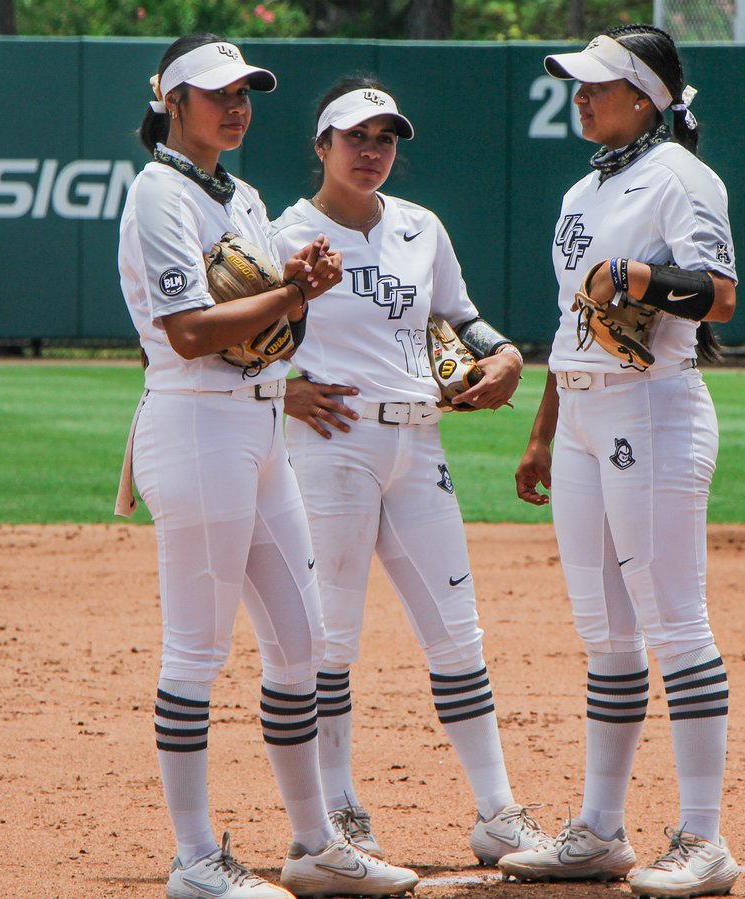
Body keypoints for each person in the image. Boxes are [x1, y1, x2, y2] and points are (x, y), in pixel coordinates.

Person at [116, 34, 419, 899]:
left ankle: (315, 843)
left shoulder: (241, 193)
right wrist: (292, 294)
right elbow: (188, 331)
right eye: (218, 92)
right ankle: (194, 859)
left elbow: (260, 318)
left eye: (247, 90)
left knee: (304, 646)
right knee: (197, 651)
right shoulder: (158, 193)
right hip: (197, 427)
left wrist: (294, 277)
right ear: (173, 102)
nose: (238, 104)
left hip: (257, 432)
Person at [270, 77, 547, 866]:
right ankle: (337, 811)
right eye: (356, 137)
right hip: (332, 448)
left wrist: (503, 352)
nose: (372, 151)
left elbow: (457, 315)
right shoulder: (282, 233)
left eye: (385, 138)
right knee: (331, 640)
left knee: (459, 635)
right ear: (321, 146)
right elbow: (229, 337)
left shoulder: (422, 227)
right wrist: (281, 391)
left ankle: (497, 812)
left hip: (419, 442)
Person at [501, 24, 741, 899]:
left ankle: (704, 837)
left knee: (675, 622)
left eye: (599, 83)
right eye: (579, 82)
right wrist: (541, 429)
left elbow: (720, 294)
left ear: (646, 95)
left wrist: (636, 277)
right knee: (605, 635)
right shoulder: (582, 191)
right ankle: (600, 829)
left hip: (654, 409)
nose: (581, 93)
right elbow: (576, 323)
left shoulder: (682, 177)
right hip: (582, 420)